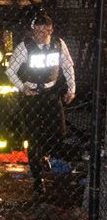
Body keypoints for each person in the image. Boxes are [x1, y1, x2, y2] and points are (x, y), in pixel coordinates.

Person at [5, 12, 75, 196]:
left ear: (51, 30)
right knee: (34, 137)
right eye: (38, 30)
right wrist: (22, 87)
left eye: (45, 30)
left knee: (59, 131)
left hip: (51, 93)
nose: (41, 34)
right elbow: (10, 70)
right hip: (32, 95)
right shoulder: (24, 47)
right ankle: (38, 178)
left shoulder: (58, 44)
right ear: (32, 30)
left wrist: (71, 89)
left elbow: (67, 66)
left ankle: (45, 153)